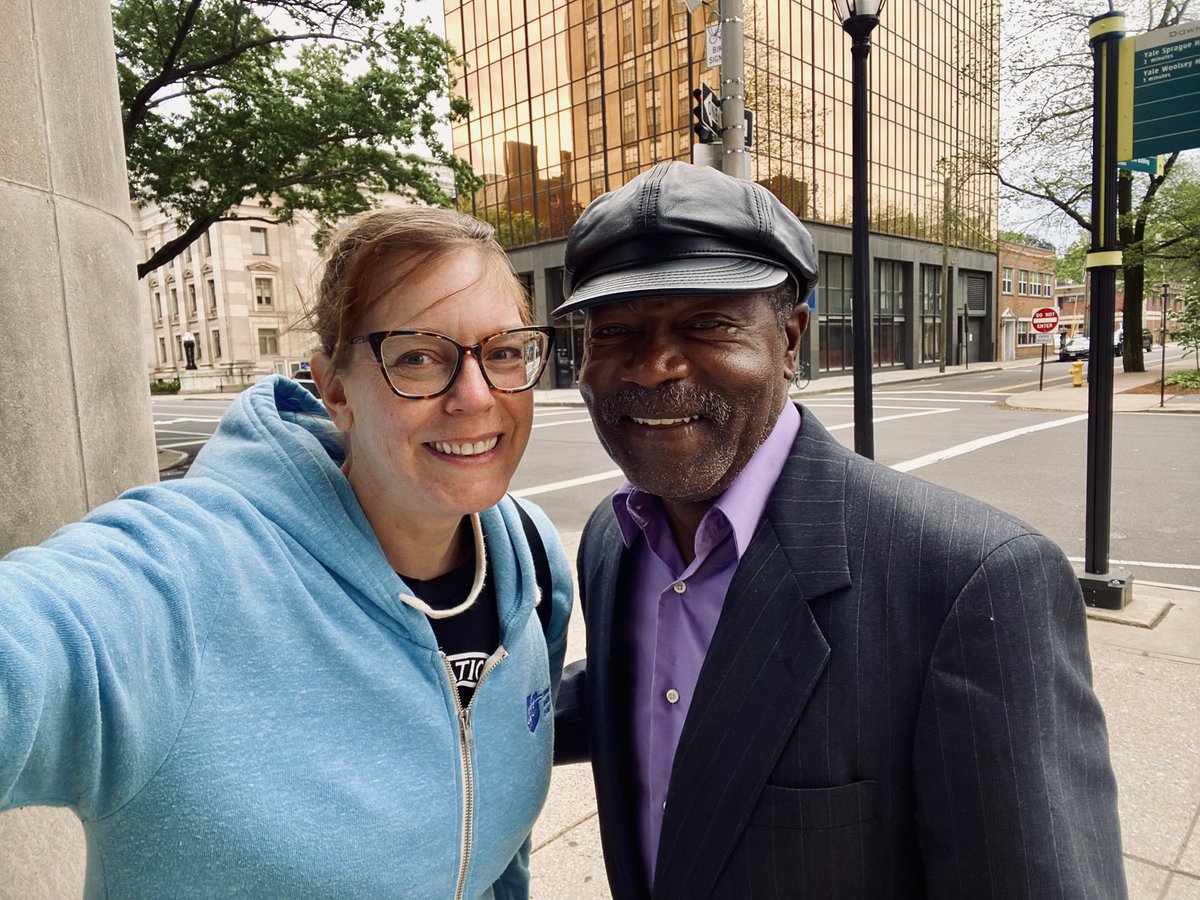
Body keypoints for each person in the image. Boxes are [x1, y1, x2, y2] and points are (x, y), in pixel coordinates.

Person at [553, 162, 1127, 898]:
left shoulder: (969, 582)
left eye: (707, 323)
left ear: (792, 340)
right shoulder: (614, 538)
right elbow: (644, 699)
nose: (654, 365)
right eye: (617, 331)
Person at [0, 207, 573, 897]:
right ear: (334, 386)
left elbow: (497, 853)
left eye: (505, 351)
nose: (477, 397)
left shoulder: (529, 560)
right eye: (418, 357)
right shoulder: (184, 578)